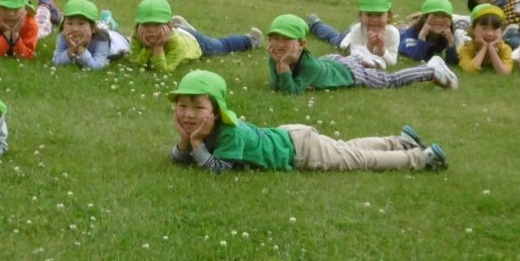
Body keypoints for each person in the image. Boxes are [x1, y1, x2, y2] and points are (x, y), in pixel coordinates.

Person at [170, 69, 446, 173]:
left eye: (198, 107)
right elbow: (179, 159)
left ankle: (420, 158)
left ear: (217, 111)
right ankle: (398, 142)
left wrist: (196, 143)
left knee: (357, 159)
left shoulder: (229, 133)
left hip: (300, 151)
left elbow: (218, 169)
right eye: (182, 106)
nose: (188, 114)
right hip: (289, 135)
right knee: (345, 147)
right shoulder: (204, 128)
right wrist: (185, 140)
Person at [266, 14, 455, 93]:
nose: (279, 44)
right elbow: (277, 85)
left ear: (301, 44)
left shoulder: (309, 65)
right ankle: (365, 56)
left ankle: (430, 70)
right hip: (332, 61)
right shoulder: (277, 58)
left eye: (286, 39)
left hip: (349, 71)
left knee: (390, 81)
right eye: (275, 38)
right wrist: (278, 63)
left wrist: (282, 65)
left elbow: (290, 92)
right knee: (352, 59)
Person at [129, 0, 262, 73]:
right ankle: (182, 27)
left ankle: (251, 39)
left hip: (195, 42)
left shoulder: (176, 43)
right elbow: (136, 63)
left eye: (157, 24)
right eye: (146, 24)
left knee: (222, 45)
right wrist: (147, 48)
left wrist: (157, 47)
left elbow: (162, 70)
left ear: (168, 25)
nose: (151, 30)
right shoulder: (137, 34)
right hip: (180, 32)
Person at [307, 0, 401, 67]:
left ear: (389, 16)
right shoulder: (357, 29)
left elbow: (392, 62)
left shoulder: (393, 33)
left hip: (356, 29)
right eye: (369, 14)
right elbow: (355, 57)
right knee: (333, 37)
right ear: (361, 15)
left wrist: (382, 50)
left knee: (339, 34)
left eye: (379, 15)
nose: (374, 20)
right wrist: (369, 46)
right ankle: (315, 23)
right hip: (347, 40)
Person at [52, 0, 130, 69]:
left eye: (81, 23)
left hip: (121, 40)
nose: (75, 29)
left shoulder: (102, 40)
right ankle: (107, 20)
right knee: (103, 26)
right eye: (70, 23)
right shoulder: (63, 37)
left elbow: (96, 66)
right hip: (100, 30)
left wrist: (80, 48)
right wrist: (72, 48)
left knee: (104, 28)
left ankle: (108, 21)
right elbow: (56, 61)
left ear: (92, 28)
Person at [398, 0, 460, 68]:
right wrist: (422, 36)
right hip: (402, 31)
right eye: (435, 15)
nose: (439, 20)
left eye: (444, 16)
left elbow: (452, 62)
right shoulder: (410, 34)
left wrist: (451, 41)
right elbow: (416, 57)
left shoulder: (448, 34)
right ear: (424, 18)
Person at [458, 4, 516, 76]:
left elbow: (504, 73)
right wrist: (484, 47)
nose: (490, 34)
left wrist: (491, 49)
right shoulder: (467, 48)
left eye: (494, 29)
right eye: (484, 28)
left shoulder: (505, 49)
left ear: (501, 32)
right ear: (473, 29)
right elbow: (469, 70)